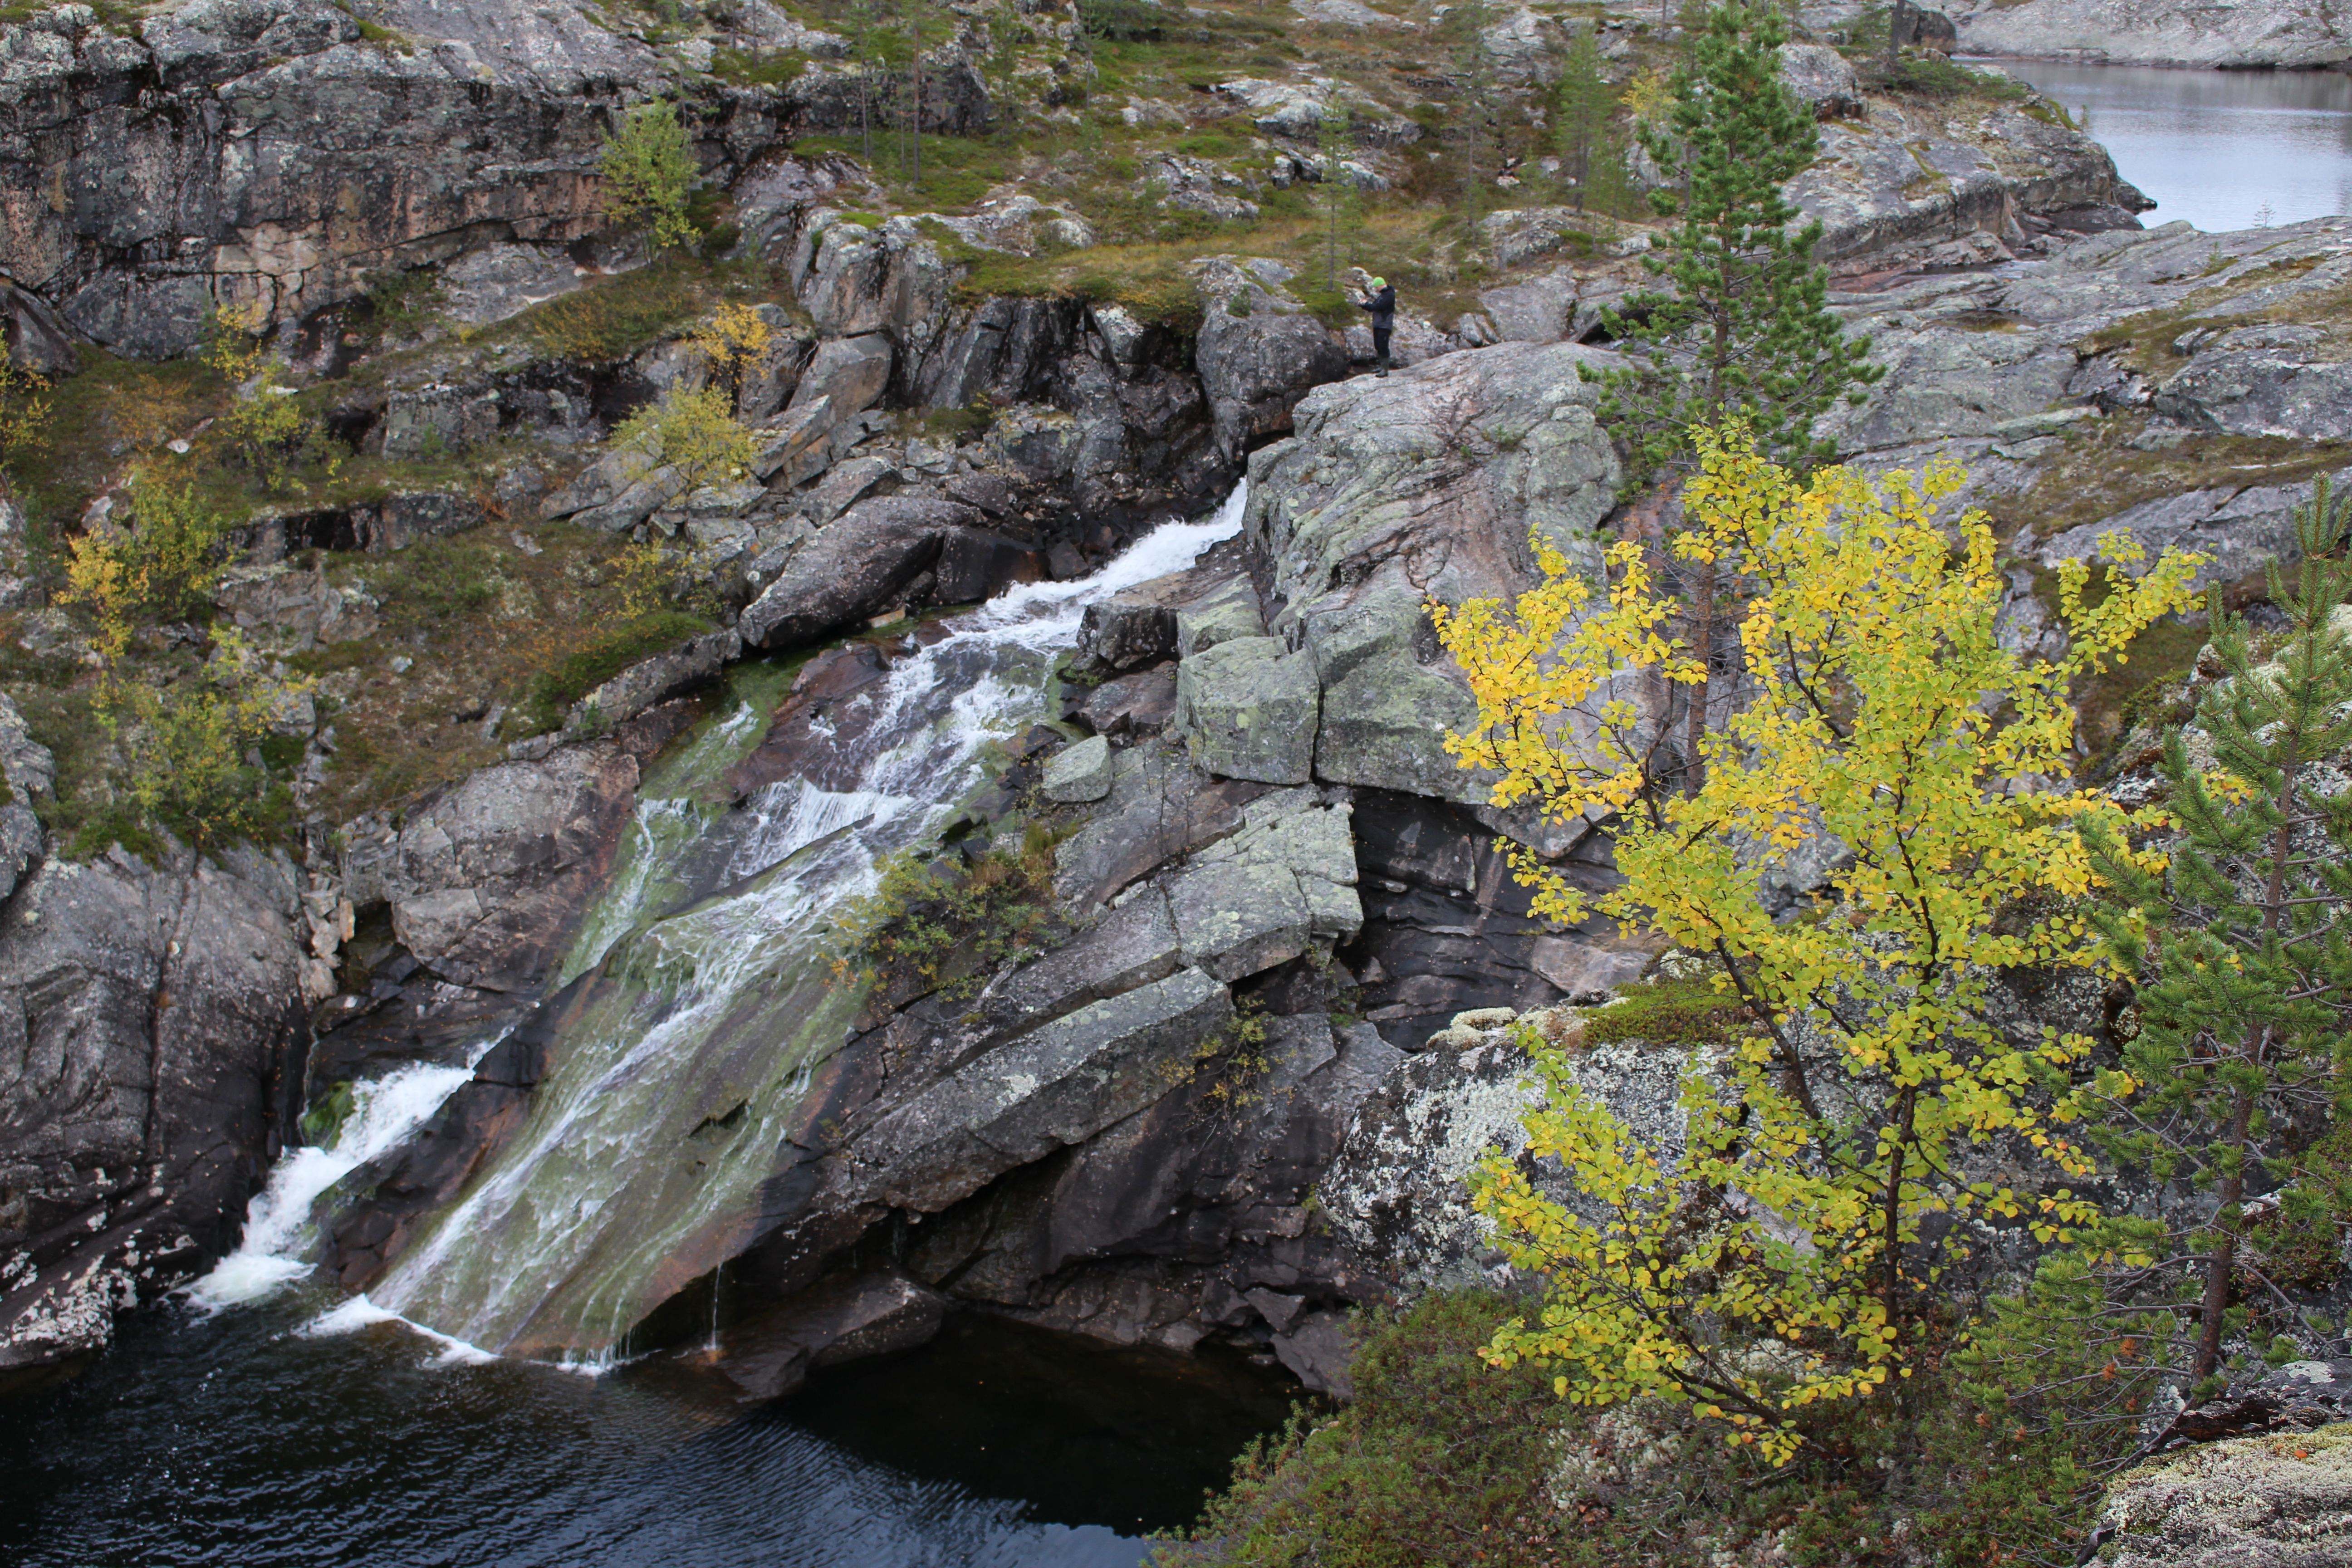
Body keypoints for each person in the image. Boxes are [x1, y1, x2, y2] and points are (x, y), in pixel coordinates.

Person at [1356, 274, 1396, 376]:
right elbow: (1372, 307)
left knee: (1384, 347)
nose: (1376, 289)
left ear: (1380, 286)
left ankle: (1385, 370)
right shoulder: (1383, 295)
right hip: (1378, 325)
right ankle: (1382, 367)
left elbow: (1378, 307)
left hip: (1385, 325)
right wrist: (1364, 305)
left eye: (1376, 287)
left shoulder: (1389, 295)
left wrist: (1367, 304)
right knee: (1378, 346)